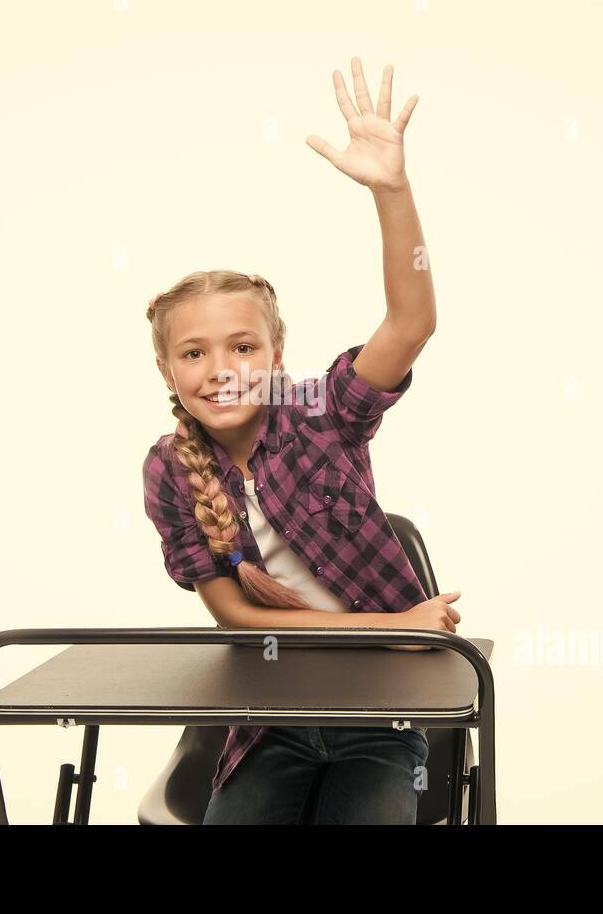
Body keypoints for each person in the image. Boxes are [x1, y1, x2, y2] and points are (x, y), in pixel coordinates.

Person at [141, 57, 461, 824]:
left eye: (243, 347)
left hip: (378, 722)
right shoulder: (168, 468)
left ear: (277, 356)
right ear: (167, 367)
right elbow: (237, 619)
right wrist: (392, 626)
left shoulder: (317, 411)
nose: (222, 371)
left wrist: (392, 189)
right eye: (195, 353)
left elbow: (412, 324)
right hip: (267, 724)